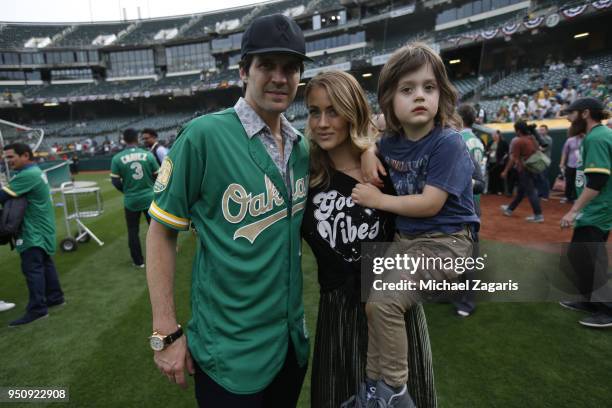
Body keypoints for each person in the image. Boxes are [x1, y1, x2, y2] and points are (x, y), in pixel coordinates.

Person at [145, 14, 311, 407]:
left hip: (290, 344)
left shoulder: (302, 147)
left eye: (290, 68)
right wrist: (165, 331)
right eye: (266, 65)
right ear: (243, 71)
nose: (279, 77)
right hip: (230, 352)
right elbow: (161, 231)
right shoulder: (204, 136)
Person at [347, 42, 479, 407]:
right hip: (409, 242)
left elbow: (430, 203)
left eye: (429, 87)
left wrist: (379, 200)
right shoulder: (390, 139)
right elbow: (369, 129)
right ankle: (373, 388)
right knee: (374, 304)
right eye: (407, 89)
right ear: (390, 100)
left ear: (442, 94)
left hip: (446, 243)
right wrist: (368, 150)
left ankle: (396, 393)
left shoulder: (448, 142)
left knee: (385, 303)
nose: (419, 96)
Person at [302, 71, 436, 408]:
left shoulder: (388, 171)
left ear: (353, 112)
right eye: (314, 112)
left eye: (333, 111)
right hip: (339, 318)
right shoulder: (307, 179)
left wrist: (372, 146)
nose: (321, 122)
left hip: (391, 313)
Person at [560, 97, 612, 328]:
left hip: (598, 208)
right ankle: (590, 301)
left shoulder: (598, 137)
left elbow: (598, 180)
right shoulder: (596, 135)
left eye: (571, 114)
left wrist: (573, 210)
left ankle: (608, 309)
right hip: (596, 207)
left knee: (590, 259)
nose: (568, 118)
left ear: (585, 113)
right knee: (579, 256)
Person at [0, 143, 64, 326]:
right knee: (44, 263)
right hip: (41, 226)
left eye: (11, 157)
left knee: (32, 268)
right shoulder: (33, 172)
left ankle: (37, 309)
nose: (8, 161)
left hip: (32, 229)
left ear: (25, 155)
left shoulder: (28, 174)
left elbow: (2, 196)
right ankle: (55, 297)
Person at [110, 128, 159, 267]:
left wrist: (127, 190)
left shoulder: (117, 158)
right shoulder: (148, 155)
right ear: (137, 138)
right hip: (150, 198)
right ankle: (158, 257)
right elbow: (159, 176)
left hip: (131, 200)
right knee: (155, 230)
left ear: (124, 140)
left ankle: (138, 262)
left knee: (133, 231)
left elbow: (115, 181)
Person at [500, 121, 544, 222]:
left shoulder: (518, 141)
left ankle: (538, 215)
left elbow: (513, 159)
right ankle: (510, 209)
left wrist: (505, 171)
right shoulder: (532, 138)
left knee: (531, 192)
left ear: (518, 131)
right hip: (533, 168)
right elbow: (538, 150)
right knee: (521, 192)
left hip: (524, 170)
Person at [559, 130, 584, 204]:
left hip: (581, 165)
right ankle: (567, 197)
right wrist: (562, 163)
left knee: (579, 182)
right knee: (569, 181)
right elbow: (564, 152)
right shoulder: (570, 140)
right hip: (570, 165)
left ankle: (577, 198)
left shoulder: (586, 140)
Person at [487, 130, 509, 195]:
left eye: (495, 134)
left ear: (499, 135)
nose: (494, 136)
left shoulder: (503, 142)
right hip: (491, 161)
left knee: (499, 176)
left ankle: (499, 190)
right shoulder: (490, 142)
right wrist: (488, 152)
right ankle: (491, 190)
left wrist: (503, 159)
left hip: (499, 162)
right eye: (493, 135)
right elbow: (487, 150)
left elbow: (507, 152)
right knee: (492, 176)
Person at [535, 124, 553, 200]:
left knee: (544, 178)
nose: (540, 131)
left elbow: (542, 149)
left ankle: (545, 195)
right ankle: (540, 194)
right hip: (538, 160)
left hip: (545, 160)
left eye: (542, 129)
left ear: (546, 131)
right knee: (539, 177)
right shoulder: (538, 138)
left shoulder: (548, 139)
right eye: (540, 129)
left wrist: (536, 147)